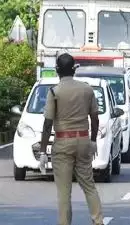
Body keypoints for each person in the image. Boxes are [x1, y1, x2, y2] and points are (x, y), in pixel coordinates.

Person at [39, 53, 104, 225]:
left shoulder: (55, 92)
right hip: (83, 141)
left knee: (64, 192)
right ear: (74, 69)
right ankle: (98, 221)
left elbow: (47, 124)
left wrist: (43, 151)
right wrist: (93, 141)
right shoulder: (87, 89)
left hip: (62, 143)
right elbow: (95, 118)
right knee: (89, 185)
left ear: (57, 70)